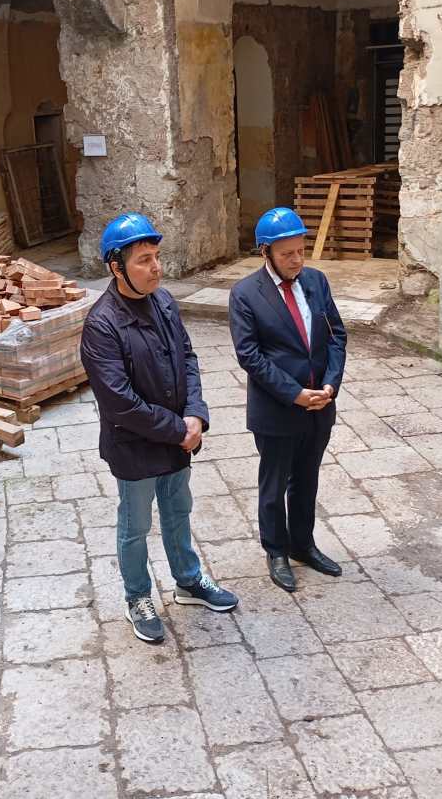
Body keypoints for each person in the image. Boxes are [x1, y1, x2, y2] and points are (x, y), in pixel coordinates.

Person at [81, 212, 239, 643]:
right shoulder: (101, 325)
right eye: (144, 260)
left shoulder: (164, 302)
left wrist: (196, 414)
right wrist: (178, 429)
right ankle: (137, 597)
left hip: (176, 437)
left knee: (177, 511)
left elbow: (188, 359)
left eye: (156, 257)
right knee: (135, 526)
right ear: (117, 267)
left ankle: (188, 581)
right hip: (135, 445)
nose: (156, 268)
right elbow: (119, 402)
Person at [228, 207, 347, 593]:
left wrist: (329, 385)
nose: (296, 260)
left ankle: (303, 544)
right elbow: (250, 356)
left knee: (307, 479)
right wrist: (294, 394)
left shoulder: (316, 281)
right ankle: (276, 551)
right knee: (274, 483)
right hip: (277, 409)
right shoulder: (245, 294)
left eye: (300, 251)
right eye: (286, 254)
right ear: (266, 252)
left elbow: (336, 336)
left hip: (320, 405)